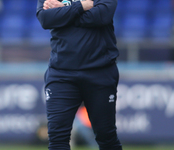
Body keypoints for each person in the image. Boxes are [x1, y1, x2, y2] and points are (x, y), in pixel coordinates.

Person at [36, 0, 122, 149]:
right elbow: (46, 19)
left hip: (100, 72)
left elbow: (101, 16)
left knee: (106, 136)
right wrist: (81, 6)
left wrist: (63, 12)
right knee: (57, 138)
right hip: (61, 74)